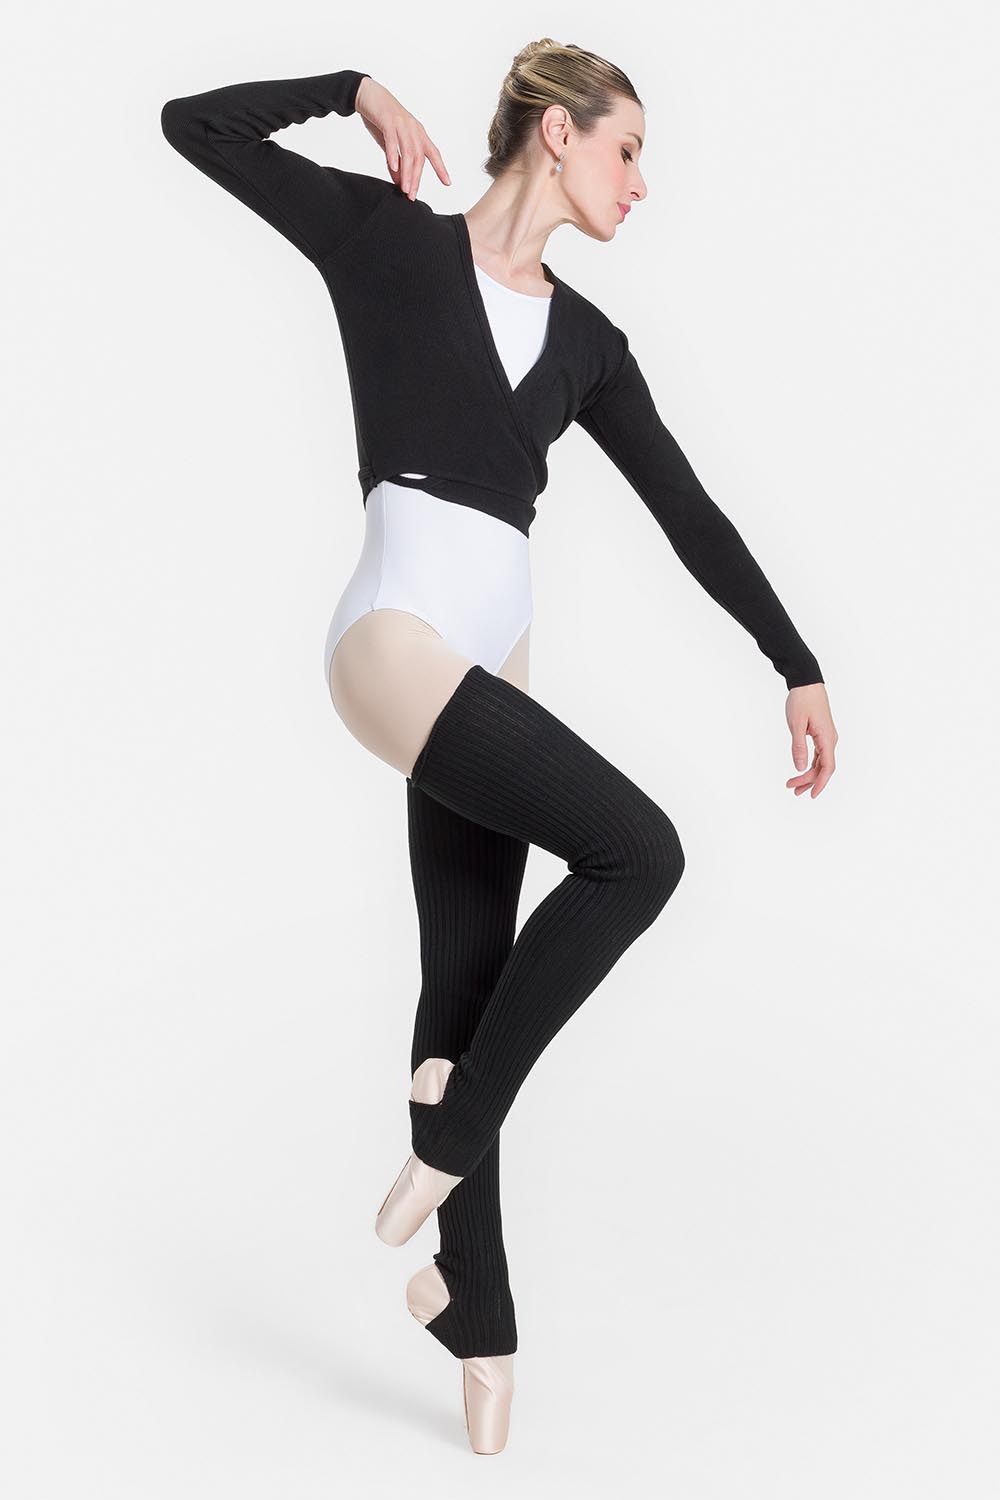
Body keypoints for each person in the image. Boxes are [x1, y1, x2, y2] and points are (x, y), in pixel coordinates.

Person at [160, 37, 838, 1455]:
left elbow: (689, 513)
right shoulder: (387, 243)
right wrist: (350, 89)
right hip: (395, 640)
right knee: (639, 852)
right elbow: (192, 126)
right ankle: (450, 1137)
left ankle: (473, 1310)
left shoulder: (588, 344)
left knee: (466, 981)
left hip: (493, 658)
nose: (641, 182)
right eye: (628, 148)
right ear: (555, 130)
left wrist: (795, 663)